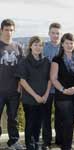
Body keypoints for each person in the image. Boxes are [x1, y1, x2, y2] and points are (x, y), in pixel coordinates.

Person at [50, 33, 74, 150]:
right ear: (62, 44)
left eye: (71, 43)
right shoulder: (57, 59)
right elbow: (53, 78)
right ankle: (67, 147)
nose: (69, 45)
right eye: (67, 43)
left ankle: (63, 143)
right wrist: (63, 90)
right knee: (68, 122)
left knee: (69, 122)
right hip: (63, 96)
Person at [16, 36, 51, 150]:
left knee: (38, 125)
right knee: (30, 125)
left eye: (40, 45)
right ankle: (30, 147)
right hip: (30, 100)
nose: (38, 47)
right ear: (30, 46)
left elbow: (50, 79)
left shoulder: (46, 61)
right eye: (35, 45)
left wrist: (45, 95)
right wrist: (36, 96)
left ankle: (36, 145)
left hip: (43, 99)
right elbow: (22, 81)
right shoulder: (25, 62)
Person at [0, 19, 24, 149]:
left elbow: (22, 69)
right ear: (1, 30)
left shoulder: (18, 47)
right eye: (6, 29)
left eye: (11, 30)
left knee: (13, 118)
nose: (9, 32)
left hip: (14, 90)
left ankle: (13, 141)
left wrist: (20, 86)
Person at [42, 22, 62, 149]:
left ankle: (60, 139)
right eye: (53, 33)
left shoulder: (64, 47)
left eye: (57, 33)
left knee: (60, 116)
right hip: (47, 88)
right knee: (46, 116)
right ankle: (46, 141)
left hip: (60, 88)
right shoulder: (44, 47)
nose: (55, 35)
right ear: (49, 33)